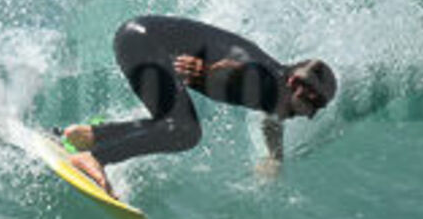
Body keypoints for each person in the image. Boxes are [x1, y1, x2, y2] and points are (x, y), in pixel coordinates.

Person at [59, 15, 336, 194]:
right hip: (143, 42)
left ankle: (89, 136)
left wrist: (274, 157)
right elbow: (243, 68)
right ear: (296, 86)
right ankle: (95, 158)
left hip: (140, 36)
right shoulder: (265, 80)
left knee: (173, 123)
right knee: (184, 131)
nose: (307, 115)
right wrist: (213, 71)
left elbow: (271, 119)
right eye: (309, 106)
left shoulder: (276, 90)